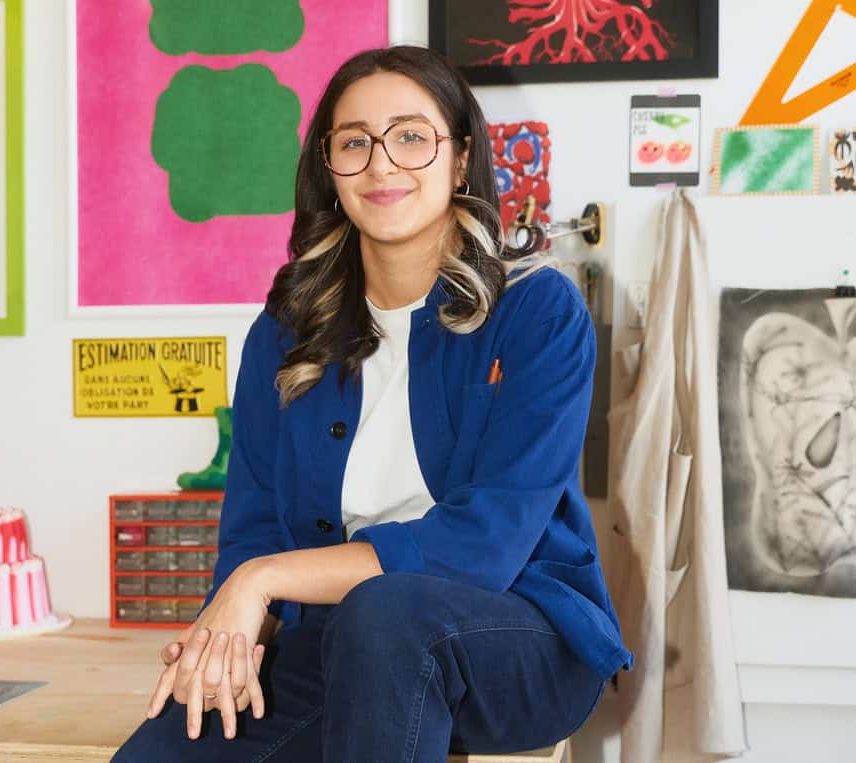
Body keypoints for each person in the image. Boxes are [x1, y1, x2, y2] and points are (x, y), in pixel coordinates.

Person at [112, 45, 631, 763]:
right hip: (335, 645)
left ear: (459, 158)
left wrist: (259, 581)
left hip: (519, 646)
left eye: (411, 137)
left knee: (384, 611)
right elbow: (254, 525)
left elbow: (484, 542)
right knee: (166, 749)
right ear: (329, 168)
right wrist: (226, 635)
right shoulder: (285, 333)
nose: (381, 164)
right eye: (354, 143)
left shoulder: (535, 311)